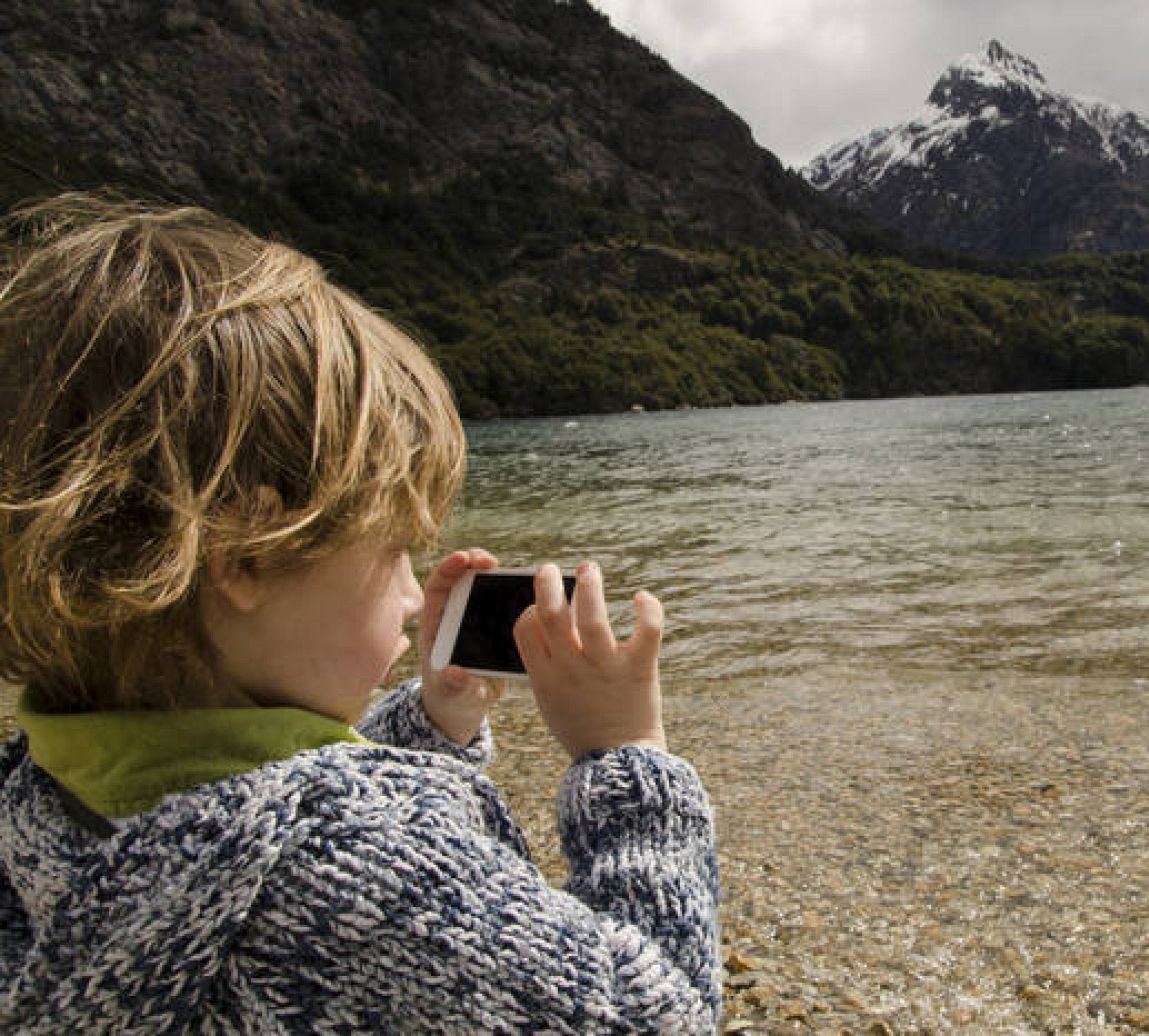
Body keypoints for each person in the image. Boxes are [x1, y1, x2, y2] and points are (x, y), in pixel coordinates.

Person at [0, 193, 720, 1033]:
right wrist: (627, 760)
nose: (416, 596)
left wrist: (434, 724)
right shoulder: (361, 873)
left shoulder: (39, 795)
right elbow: (654, 1014)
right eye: (393, 552)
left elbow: (246, 799)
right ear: (247, 556)